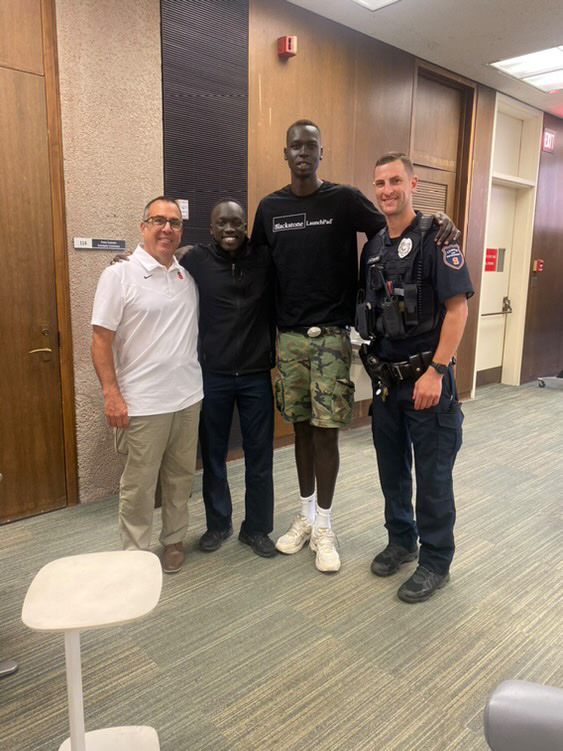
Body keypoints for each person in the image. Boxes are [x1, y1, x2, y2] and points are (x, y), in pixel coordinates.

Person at [251, 120, 459, 573]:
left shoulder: (343, 199)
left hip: (329, 337)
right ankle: (305, 517)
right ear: (285, 153)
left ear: (321, 152)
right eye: (295, 147)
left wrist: (437, 220)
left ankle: (325, 525)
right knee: (300, 431)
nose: (303, 153)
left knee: (326, 433)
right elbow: (252, 266)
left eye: (311, 146)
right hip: (288, 340)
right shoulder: (269, 208)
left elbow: (395, 228)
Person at [357, 152, 473, 602]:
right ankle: (402, 541)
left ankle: (436, 561)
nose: (387, 190)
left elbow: (457, 310)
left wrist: (437, 372)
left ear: (413, 183)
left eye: (395, 181)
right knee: (392, 471)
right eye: (380, 183)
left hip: (427, 381)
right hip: (387, 383)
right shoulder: (374, 247)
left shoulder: (438, 239)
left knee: (433, 475)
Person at [91, 196, 202, 573]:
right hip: (142, 405)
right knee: (139, 486)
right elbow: (101, 339)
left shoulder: (186, 278)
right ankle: (136, 553)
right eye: (158, 220)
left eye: (174, 223)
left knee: (179, 479)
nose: (166, 229)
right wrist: (111, 394)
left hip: (188, 399)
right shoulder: (118, 275)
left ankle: (173, 541)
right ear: (143, 226)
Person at [179, 199, 277, 558]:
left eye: (236, 222)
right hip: (214, 376)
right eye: (222, 223)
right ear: (211, 228)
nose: (230, 229)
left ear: (245, 226)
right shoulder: (196, 259)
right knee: (214, 455)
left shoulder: (264, 259)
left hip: (255, 377)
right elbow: (158, 262)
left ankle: (257, 528)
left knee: (259, 456)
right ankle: (219, 524)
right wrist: (125, 260)